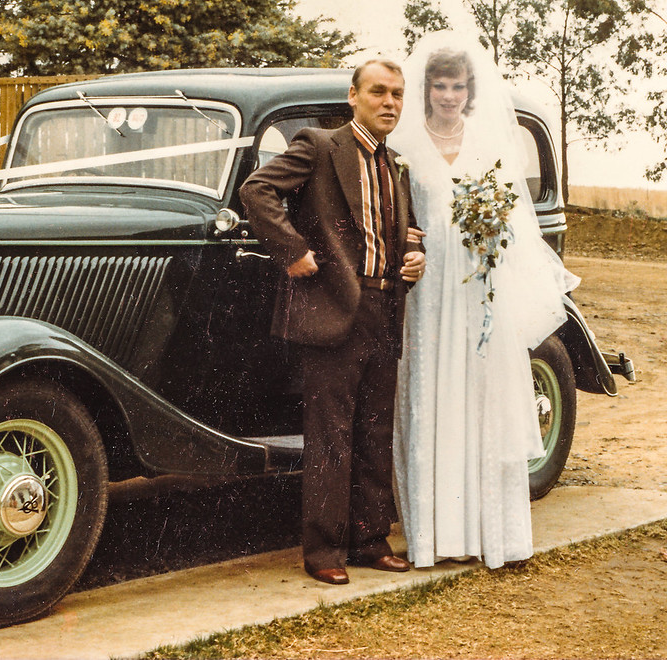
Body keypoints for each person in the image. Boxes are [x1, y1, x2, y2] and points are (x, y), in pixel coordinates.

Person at [389, 32, 579, 569]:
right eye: (438, 85)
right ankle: (432, 537)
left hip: (478, 289)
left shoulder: (489, 143)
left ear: (469, 91)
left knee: (479, 396)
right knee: (430, 392)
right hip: (426, 290)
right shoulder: (405, 148)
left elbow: (516, 221)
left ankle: (487, 532)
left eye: (457, 86)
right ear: (425, 90)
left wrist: (495, 235)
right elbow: (396, 216)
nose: (448, 95)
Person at [239, 59, 426, 585]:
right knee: (331, 436)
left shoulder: (397, 165)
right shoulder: (320, 146)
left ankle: (370, 542)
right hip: (332, 312)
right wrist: (293, 251)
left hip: (386, 309)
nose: (389, 103)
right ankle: (324, 553)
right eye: (378, 92)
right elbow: (257, 191)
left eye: (397, 95)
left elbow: (406, 227)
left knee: (375, 431)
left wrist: (416, 254)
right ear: (353, 95)